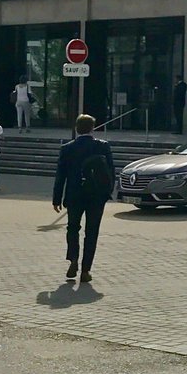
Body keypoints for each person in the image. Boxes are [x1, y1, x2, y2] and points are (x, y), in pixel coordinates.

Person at [52, 114, 116, 283]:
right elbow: (111, 171)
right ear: (92, 129)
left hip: (74, 195)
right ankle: (86, 270)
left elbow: (61, 175)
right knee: (91, 232)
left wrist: (56, 198)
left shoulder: (67, 148)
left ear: (76, 128)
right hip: (96, 196)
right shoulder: (102, 146)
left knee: (72, 228)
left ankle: (73, 259)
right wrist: (107, 192)